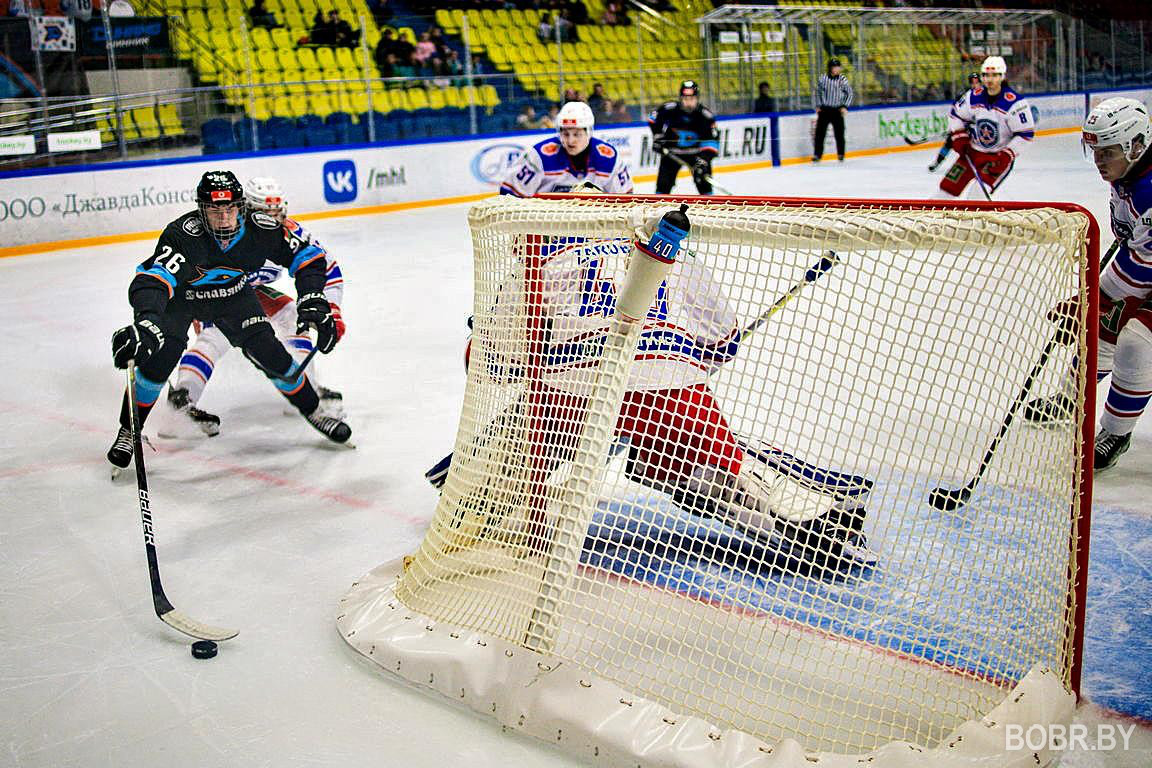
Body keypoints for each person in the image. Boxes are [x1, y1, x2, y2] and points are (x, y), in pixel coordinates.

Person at [428, 199, 872, 572]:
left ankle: (500, 514)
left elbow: (498, 358)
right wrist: (696, 355)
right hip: (665, 378)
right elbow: (722, 339)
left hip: (570, 388)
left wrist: (496, 349)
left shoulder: (539, 249)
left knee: (531, 469)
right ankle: (812, 518)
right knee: (713, 465)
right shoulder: (664, 240)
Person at [105, 171, 350, 472]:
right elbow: (152, 281)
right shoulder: (183, 235)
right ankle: (128, 430)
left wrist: (313, 297)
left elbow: (310, 257)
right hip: (183, 301)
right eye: (214, 210)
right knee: (160, 357)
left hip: (234, 297)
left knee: (272, 355)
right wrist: (147, 322)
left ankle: (313, 410)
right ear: (201, 210)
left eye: (230, 208)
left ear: (241, 207)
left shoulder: (262, 230)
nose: (223, 217)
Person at [1025, 97, 1152, 471]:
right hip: (1145, 264)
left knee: (1136, 341)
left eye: (1108, 152)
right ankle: (1070, 398)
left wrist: (1098, 301)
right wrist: (1093, 301)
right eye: (1095, 151)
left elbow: (1142, 270)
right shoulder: (1131, 175)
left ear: (1137, 145)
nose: (1099, 161)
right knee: (1100, 325)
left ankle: (1116, 432)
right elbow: (1137, 251)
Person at [165, 177, 346, 437]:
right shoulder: (222, 232)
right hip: (209, 295)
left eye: (277, 212)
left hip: (249, 294)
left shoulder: (285, 232)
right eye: (264, 212)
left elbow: (327, 267)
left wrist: (331, 309)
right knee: (214, 337)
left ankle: (308, 386)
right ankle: (182, 399)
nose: (272, 218)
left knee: (295, 316)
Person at [934, 56, 1036, 199]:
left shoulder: (1015, 103)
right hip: (971, 153)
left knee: (977, 195)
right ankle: (939, 220)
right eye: (986, 75)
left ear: (1002, 77)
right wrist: (959, 136)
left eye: (994, 75)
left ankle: (975, 222)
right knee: (946, 190)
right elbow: (956, 115)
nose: (989, 79)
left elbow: (1025, 134)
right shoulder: (972, 96)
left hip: (997, 158)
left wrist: (1008, 154)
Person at [499, 101, 633, 196]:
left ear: (589, 132)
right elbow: (510, 194)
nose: (570, 141)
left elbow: (626, 201)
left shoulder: (608, 158)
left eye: (577, 134)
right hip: (546, 230)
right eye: (565, 133)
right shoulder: (540, 156)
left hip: (594, 230)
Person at [648, 80, 720, 195]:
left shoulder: (705, 116)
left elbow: (712, 142)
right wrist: (658, 137)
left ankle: (710, 207)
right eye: (685, 99)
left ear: (697, 98)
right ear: (681, 98)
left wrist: (703, 161)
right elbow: (653, 118)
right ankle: (659, 210)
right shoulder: (670, 109)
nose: (688, 102)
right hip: (671, 153)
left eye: (691, 99)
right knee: (663, 186)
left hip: (696, 156)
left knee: (705, 186)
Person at [927, 72, 981, 172]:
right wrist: (954, 126)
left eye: (977, 82)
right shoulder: (965, 95)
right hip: (961, 124)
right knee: (949, 143)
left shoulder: (985, 95)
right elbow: (954, 111)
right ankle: (937, 162)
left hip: (976, 126)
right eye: (972, 83)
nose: (975, 85)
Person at [812, 58, 853, 162]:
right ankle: (817, 155)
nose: (836, 69)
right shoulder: (823, 78)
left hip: (837, 110)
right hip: (825, 110)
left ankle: (841, 154)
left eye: (838, 67)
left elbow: (849, 93)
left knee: (839, 134)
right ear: (830, 68)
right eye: (834, 67)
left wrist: (845, 106)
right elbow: (818, 92)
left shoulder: (842, 79)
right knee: (820, 134)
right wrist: (818, 105)